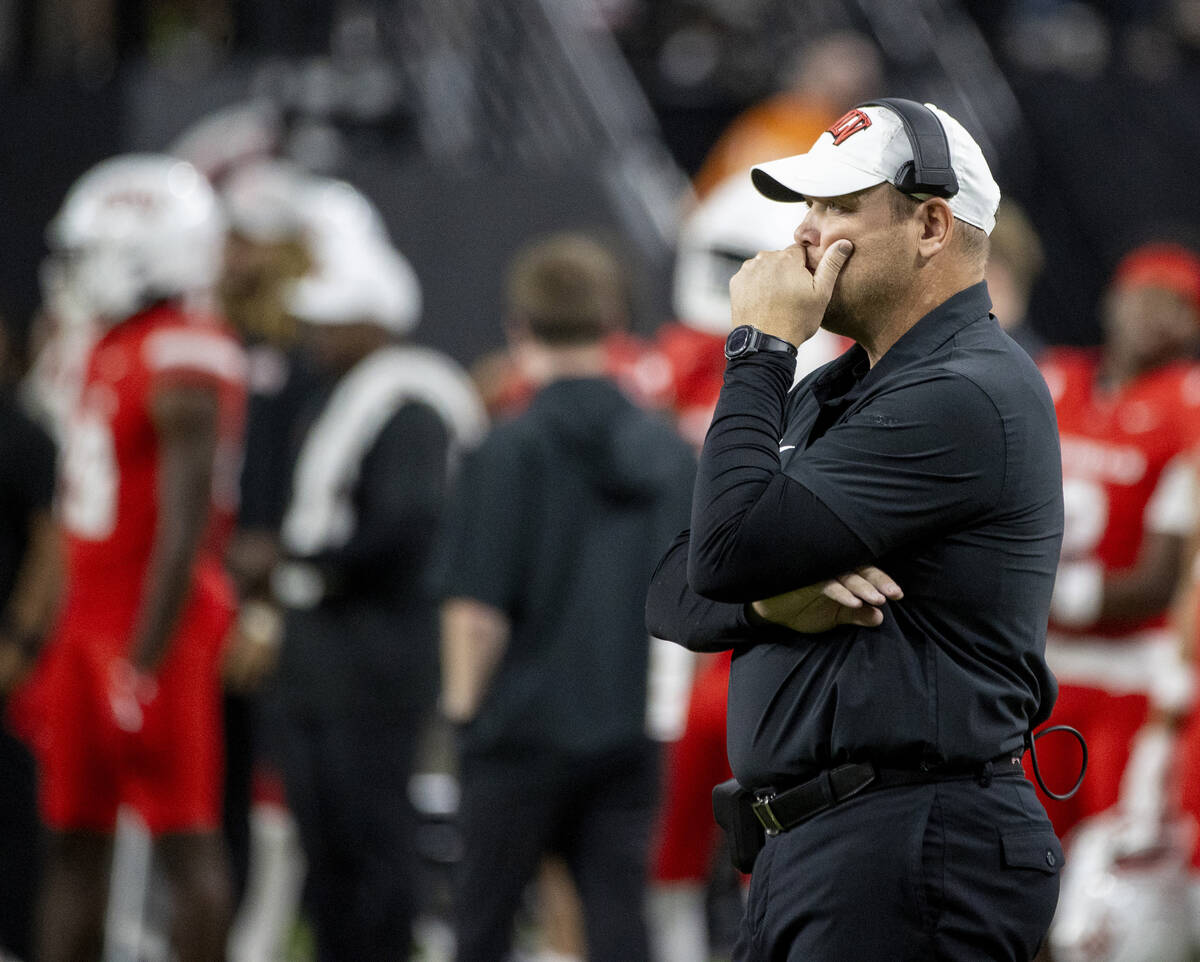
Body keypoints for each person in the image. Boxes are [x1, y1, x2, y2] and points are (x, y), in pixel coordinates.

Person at [645, 99, 1065, 961]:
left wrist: (761, 344)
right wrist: (774, 609)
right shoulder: (841, 388)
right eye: (808, 207)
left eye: (838, 208)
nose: (805, 233)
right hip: (832, 847)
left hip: (912, 843)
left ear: (932, 225)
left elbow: (723, 557)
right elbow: (674, 590)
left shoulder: (964, 391)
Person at [435, 232, 696, 962]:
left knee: (482, 926)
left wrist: (463, 713)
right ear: (615, 325)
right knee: (620, 925)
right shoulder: (672, 454)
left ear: (519, 325)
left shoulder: (506, 450)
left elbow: (476, 611)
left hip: (517, 733)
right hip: (629, 728)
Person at [28, 153, 246, 962]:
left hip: (156, 619)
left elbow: (184, 527)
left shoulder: (185, 348)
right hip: (90, 614)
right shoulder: (110, 342)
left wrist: (145, 653)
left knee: (183, 838)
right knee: (72, 836)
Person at [269, 176, 486, 962]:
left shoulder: (410, 398)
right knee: (324, 838)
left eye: (335, 324)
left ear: (373, 321)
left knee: (371, 832)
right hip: (323, 656)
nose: (318, 339)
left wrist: (311, 564)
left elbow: (411, 523)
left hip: (376, 653)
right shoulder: (344, 393)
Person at [648, 169, 848, 962]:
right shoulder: (671, 362)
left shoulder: (832, 369)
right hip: (699, 611)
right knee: (668, 831)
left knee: (763, 827)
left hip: (778, 630)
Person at [1032, 242, 1200, 843]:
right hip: (1037, 664)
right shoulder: (1053, 380)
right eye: (1142, 295)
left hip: (1130, 671)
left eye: (1175, 304)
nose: (1153, 314)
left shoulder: (1187, 402)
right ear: (1113, 299)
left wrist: (1044, 595)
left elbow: (1165, 576)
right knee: (1021, 856)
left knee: (1106, 864)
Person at [0, 319, 61, 962]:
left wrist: (18, 642)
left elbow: (51, 547)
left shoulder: (24, 433)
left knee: (18, 819)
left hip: (11, 664)